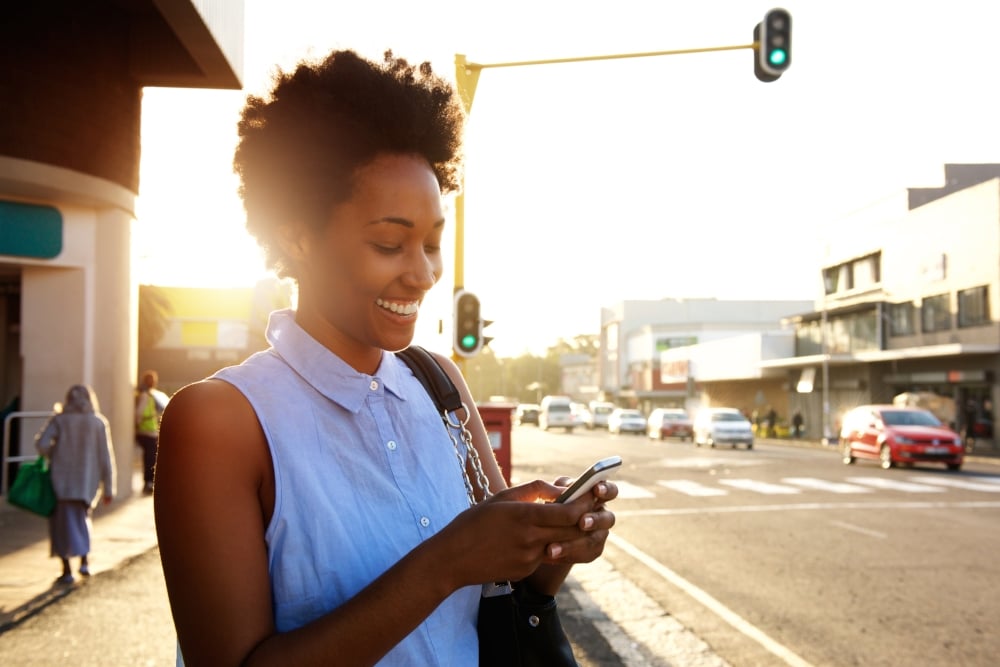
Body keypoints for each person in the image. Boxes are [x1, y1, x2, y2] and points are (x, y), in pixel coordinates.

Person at [153, 48, 618, 666]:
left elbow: (496, 599)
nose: (423, 274)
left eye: (431, 242)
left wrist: (547, 550)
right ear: (298, 235)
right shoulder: (220, 422)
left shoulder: (437, 382)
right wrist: (448, 561)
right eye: (390, 242)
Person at [34, 384, 115, 585]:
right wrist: (109, 488)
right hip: (87, 482)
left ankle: (67, 570)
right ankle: (85, 562)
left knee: (61, 526)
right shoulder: (97, 422)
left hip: (61, 481)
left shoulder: (59, 420)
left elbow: (42, 444)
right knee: (82, 521)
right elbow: (106, 458)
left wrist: (56, 453)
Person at [134, 369, 168, 494]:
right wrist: (137, 425)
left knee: (150, 458)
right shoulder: (145, 395)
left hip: (149, 430)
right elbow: (139, 414)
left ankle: (149, 481)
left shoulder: (150, 395)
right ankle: (148, 482)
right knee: (150, 458)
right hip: (146, 431)